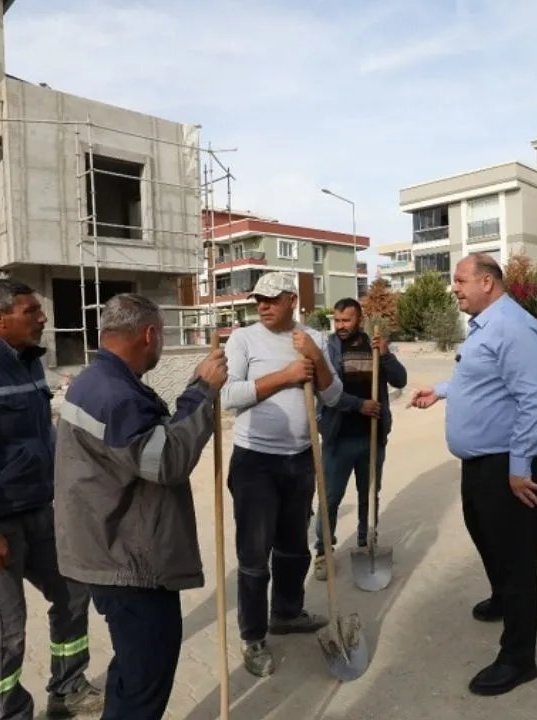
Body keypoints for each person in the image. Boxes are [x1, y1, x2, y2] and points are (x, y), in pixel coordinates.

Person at [0, 278, 103, 720]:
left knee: (72, 590)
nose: (42, 318)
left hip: (36, 512)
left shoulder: (29, 364)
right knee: (5, 626)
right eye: (31, 311)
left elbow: (42, 436)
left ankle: (67, 688)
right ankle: (9, 713)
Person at [53, 293, 226, 720]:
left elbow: (146, 442)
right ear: (149, 334)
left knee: (131, 668)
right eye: (163, 335)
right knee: (145, 675)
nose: (162, 343)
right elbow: (166, 461)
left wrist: (193, 394)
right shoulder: (114, 395)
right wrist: (202, 392)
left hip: (108, 546)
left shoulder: (98, 381)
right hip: (127, 561)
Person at [409, 253, 537, 697]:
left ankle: (518, 658)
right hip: (483, 462)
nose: (455, 288)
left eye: (460, 280)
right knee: (483, 531)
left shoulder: (514, 326)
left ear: (487, 283)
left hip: (508, 462)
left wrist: (519, 468)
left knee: (516, 557)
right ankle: (502, 598)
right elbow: (484, 379)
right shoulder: (487, 326)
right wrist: (442, 391)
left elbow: (533, 401)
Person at [220, 271, 344, 677]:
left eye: (272, 299)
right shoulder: (244, 339)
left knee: (294, 546)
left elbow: (333, 395)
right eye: (258, 299)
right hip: (255, 461)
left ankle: (287, 612)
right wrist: (286, 376)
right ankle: (253, 636)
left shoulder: (313, 338)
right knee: (254, 555)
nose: (262, 306)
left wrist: (316, 357)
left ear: (293, 299)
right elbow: (228, 395)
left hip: (301, 457)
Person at [312, 297, 409, 581]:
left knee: (369, 495)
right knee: (330, 498)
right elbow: (325, 390)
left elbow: (400, 380)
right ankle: (323, 552)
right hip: (338, 437)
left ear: (359, 319)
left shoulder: (374, 345)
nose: (341, 326)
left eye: (347, 321)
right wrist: (359, 404)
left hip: (372, 437)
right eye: (337, 320)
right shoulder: (327, 349)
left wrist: (387, 355)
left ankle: (367, 544)